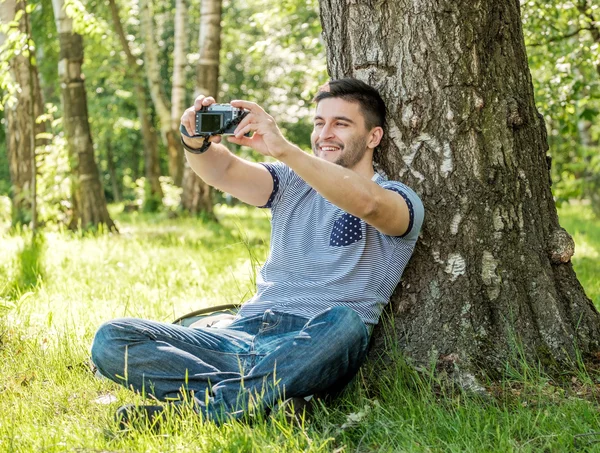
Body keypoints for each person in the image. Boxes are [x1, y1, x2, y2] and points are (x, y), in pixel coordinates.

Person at [90, 78, 424, 426]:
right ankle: (263, 398)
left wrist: (284, 149)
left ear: (374, 137)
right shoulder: (292, 183)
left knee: (346, 324)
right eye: (319, 122)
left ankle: (196, 413)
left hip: (312, 343)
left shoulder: (398, 197)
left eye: (341, 124)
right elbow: (225, 170)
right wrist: (194, 140)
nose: (325, 133)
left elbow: (368, 204)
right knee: (112, 339)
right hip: (240, 336)